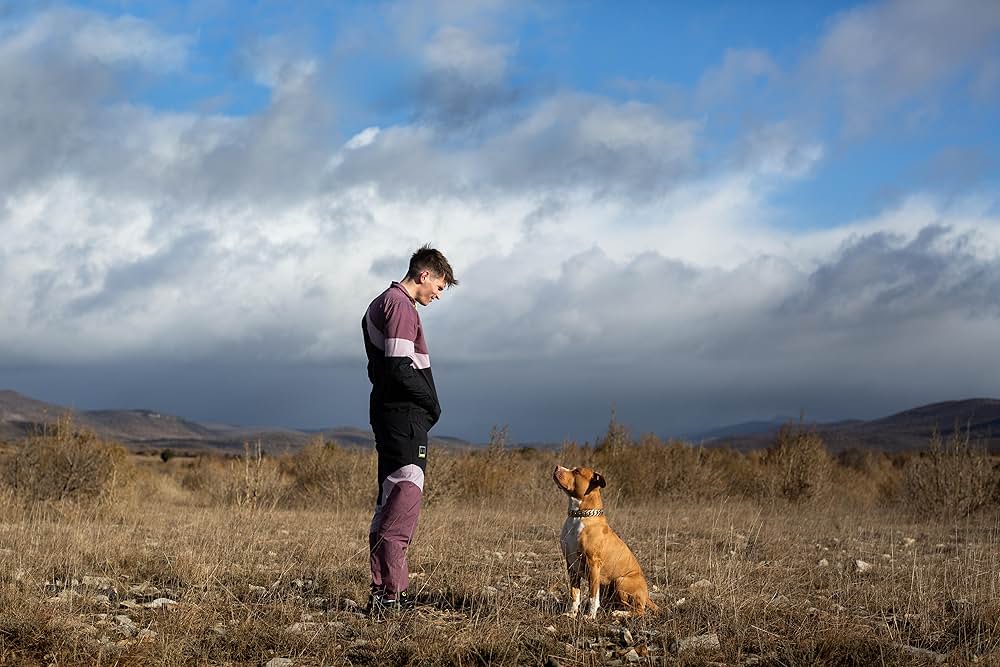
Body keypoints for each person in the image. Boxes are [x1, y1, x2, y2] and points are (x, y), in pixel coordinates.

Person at [360, 245, 458, 617]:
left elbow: (381, 371)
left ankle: (384, 592)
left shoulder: (380, 304)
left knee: (390, 501)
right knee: (403, 501)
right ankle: (391, 597)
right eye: (439, 286)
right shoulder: (399, 305)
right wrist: (433, 404)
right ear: (424, 275)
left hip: (391, 416)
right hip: (403, 419)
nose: (438, 294)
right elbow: (399, 366)